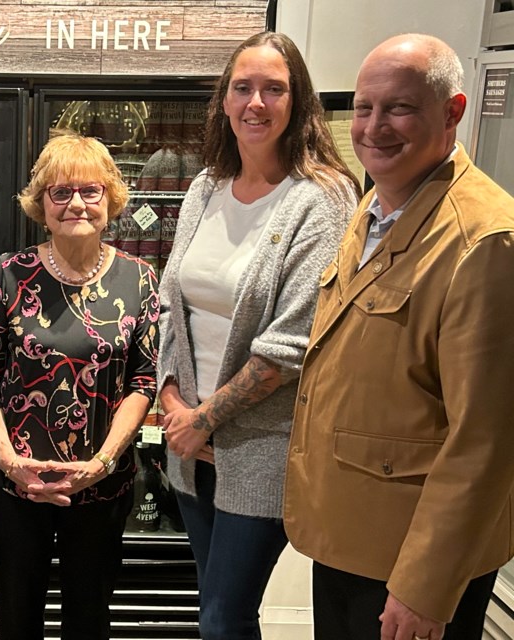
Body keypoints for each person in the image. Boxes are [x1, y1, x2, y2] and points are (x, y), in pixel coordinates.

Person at [284, 33, 514, 640]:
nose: (374, 127)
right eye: (364, 108)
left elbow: (486, 443)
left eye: (400, 108)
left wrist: (425, 587)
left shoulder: (485, 243)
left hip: (407, 565)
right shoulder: (373, 209)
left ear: (454, 112)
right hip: (352, 539)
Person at [157, 31, 360, 640]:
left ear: (298, 103)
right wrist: (173, 404)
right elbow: (171, 308)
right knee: (213, 606)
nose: (256, 103)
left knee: (224, 615)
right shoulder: (204, 190)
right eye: (243, 88)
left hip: (264, 447)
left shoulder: (323, 198)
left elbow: (294, 340)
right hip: (189, 445)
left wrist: (203, 418)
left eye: (275, 89)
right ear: (223, 101)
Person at [0, 132, 160, 640]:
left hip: (102, 483)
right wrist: (10, 461)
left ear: (111, 200)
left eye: (90, 190)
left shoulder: (139, 279)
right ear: (41, 203)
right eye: (60, 192)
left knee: (89, 617)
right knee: (16, 616)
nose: (76, 203)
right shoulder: (9, 275)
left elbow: (143, 381)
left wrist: (100, 465)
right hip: (17, 483)